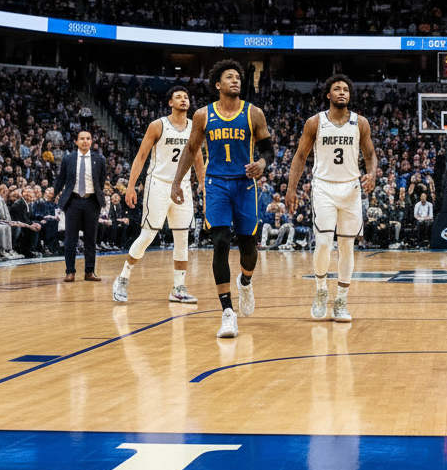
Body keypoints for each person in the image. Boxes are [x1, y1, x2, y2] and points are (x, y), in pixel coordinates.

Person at [171, 59, 274, 338]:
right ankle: (227, 312)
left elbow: (268, 150)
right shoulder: (203, 115)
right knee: (219, 243)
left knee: (248, 246)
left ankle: (246, 281)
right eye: (229, 77)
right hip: (216, 184)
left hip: (245, 184)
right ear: (218, 84)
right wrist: (177, 182)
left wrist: (262, 165)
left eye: (238, 77)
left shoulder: (254, 113)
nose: (235, 80)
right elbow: (191, 149)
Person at [286, 74, 376, 323]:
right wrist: (291, 189)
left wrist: (372, 174)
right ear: (328, 94)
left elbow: (370, 155)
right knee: (324, 242)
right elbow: (300, 156)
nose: (342, 92)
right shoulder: (315, 122)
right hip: (324, 187)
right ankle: (321, 290)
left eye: (346, 89)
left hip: (351, 189)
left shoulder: (361, 123)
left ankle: (341, 301)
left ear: (350, 95)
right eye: (336, 89)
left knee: (347, 246)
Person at [113, 86, 205, 305]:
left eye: (186, 96)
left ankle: (178, 288)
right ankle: (123, 277)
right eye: (178, 97)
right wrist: (131, 185)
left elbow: (199, 159)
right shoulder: (158, 125)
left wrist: (203, 185)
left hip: (182, 187)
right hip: (159, 185)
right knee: (147, 236)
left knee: (183, 238)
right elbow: (141, 155)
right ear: (170, 103)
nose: (184, 99)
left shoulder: (195, 127)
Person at [53, 129, 107, 282]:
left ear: (91, 141)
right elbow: (61, 179)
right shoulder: (68, 159)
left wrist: (96, 197)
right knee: (71, 238)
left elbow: (101, 182)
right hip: (73, 201)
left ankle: (89, 272)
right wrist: (55, 192)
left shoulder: (100, 159)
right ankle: (70, 271)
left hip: (92, 202)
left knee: (90, 239)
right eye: (82, 138)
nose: (85, 141)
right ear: (76, 141)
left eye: (88, 138)